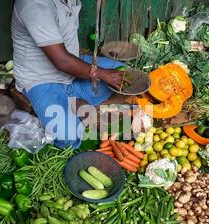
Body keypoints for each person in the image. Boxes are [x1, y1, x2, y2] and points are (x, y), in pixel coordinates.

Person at [11, 0, 125, 149]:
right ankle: (71, 107)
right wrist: (103, 74)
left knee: (124, 74)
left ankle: (78, 105)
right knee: (69, 138)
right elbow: (62, 61)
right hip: (42, 80)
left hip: (73, 67)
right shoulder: (34, 5)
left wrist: (104, 74)